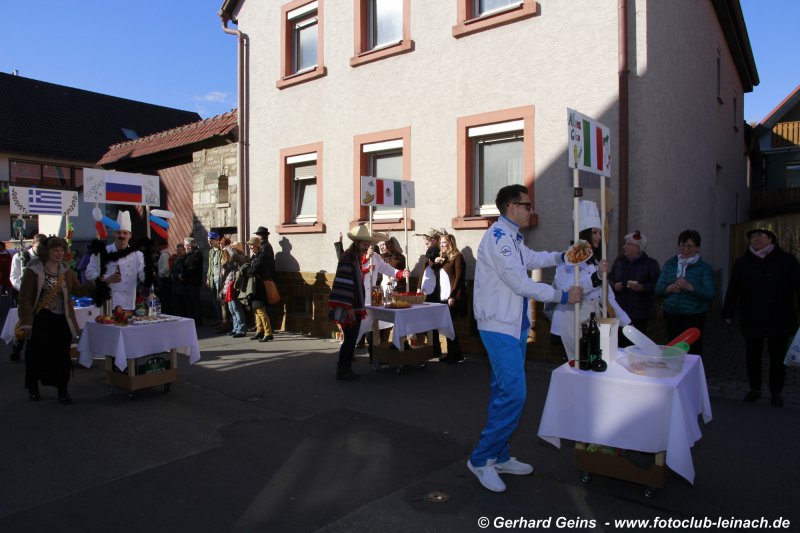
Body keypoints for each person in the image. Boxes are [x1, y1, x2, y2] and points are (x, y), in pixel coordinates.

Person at [469, 184, 583, 493]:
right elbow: (520, 283)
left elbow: (531, 259)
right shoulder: (498, 238)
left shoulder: (513, 237)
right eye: (527, 205)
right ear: (511, 207)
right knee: (514, 394)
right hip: (498, 327)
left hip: (513, 325)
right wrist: (562, 295)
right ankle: (481, 459)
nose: (531, 210)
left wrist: (562, 256)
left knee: (503, 392)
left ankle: (499, 455)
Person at [723, 223, 800, 408]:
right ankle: (755, 389)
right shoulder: (742, 263)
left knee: (777, 358)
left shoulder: (787, 260)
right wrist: (728, 312)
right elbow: (733, 289)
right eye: (753, 235)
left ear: (771, 239)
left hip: (779, 317)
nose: (756, 238)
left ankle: (776, 392)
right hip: (752, 316)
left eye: (760, 235)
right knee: (753, 355)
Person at [17, 237, 94, 404]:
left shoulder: (66, 271)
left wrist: (96, 283)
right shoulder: (34, 270)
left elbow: (78, 290)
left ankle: (62, 389)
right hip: (41, 319)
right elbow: (25, 298)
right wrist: (26, 322)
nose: (59, 253)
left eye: (61, 250)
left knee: (62, 356)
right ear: (47, 252)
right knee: (36, 355)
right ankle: (33, 387)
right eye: (55, 250)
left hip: (61, 320)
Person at [329, 224, 410, 381]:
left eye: (369, 242)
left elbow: (386, 269)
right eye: (365, 242)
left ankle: (346, 368)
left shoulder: (369, 257)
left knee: (357, 336)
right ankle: (343, 369)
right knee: (350, 339)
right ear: (357, 242)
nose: (367, 245)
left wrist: (401, 273)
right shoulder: (349, 257)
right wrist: (348, 307)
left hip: (360, 302)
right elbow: (344, 282)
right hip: (350, 304)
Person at [551, 201, 630, 359]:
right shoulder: (568, 259)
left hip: (590, 322)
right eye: (594, 233)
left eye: (600, 233)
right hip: (570, 322)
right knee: (575, 366)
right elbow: (568, 289)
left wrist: (626, 323)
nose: (599, 237)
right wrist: (596, 277)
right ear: (584, 234)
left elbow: (607, 296)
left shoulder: (595, 262)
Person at [655, 229, 715, 355]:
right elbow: (658, 289)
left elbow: (710, 294)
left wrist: (691, 288)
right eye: (682, 245)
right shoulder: (670, 264)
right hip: (671, 315)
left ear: (697, 248)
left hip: (694, 316)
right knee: (673, 350)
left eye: (690, 246)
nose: (685, 249)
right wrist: (668, 289)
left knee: (693, 350)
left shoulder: (704, 267)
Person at [608, 230, 661, 346]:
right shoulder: (619, 261)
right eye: (625, 244)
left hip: (640, 314)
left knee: (636, 345)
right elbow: (609, 279)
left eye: (628, 244)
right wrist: (614, 286)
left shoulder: (651, 264)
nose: (624, 246)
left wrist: (641, 287)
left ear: (638, 247)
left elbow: (657, 285)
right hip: (620, 311)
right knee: (619, 345)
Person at [85, 211, 145, 311]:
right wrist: (106, 278)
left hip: (128, 304)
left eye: (125, 233)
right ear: (114, 234)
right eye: (119, 232)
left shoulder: (138, 255)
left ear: (130, 235)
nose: (122, 236)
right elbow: (89, 273)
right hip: (106, 303)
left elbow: (142, 274)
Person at [8, 234, 46, 362]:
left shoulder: (44, 258)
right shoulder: (20, 256)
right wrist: (25, 290)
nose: (41, 250)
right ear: (33, 244)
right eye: (39, 247)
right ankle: (17, 348)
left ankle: (37, 350)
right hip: (23, 295)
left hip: (40, 296)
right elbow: (14, 277)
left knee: (39, 323)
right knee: (24, 322)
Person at [437, 232, 468, 363]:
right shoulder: (445, 259)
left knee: (450, 326)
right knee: (447, 325)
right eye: (441, 243)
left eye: (444, 242)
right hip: (444, 296)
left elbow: (459, 277)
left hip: (453, 297)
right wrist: (436, 262)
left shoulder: (457, 256)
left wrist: (452, 296)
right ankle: (453, 353)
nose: (442, 245)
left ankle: (455, 354)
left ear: (450, 243)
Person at [240, 236, 274, 342]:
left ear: (257, 246)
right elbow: (247, 269)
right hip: (253, 286)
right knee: (256, 310)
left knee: (261, 310)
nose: (250, 247)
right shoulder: (254, 256)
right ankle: (259, 331)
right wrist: (248, 269)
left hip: (259, 286)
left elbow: (253, 269)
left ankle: (268, 333)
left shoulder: (262, 256)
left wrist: (248, 270)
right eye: (249, 245)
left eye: (251, 245)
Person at [222, 240, 248, 338]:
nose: (232, 250)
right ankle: (235, 328)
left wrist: (228, 247)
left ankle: (241, 329)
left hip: (235, 286)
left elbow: (234, 256)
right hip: (228, 285)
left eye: (233, 248)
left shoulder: (241, 257)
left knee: (236, 308)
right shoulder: (232, 259)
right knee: (231, 309)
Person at [206, 231, 227, 332]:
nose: (209, 242)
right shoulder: (211, 252)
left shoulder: (221, 250)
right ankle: (219, 320)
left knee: (221, 301)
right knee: (214, 301)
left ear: (216, 240)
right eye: (208, 240)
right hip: (212, 278)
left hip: (220, 278)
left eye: (211, 240)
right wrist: (207, 278)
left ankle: (225, 322)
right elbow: (210, 266)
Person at [181, 237, 204, 325]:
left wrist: (183, 275)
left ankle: (196, 321)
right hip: (187, 282)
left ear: (189, 246)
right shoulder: (188, 254)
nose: (184, 247)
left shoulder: (196, 254)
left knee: (194, 302)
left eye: (185, 245)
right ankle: (192, 320)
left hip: (193, 282)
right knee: (189, 303)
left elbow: (192, 268)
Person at [155, 240, 173, 314]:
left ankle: (166, 313)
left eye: (159, 246)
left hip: (165, 279)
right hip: (165, 279)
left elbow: (166, 268)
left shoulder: (164, 255)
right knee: (165, 298)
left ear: (161, 246)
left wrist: (159, 274)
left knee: (165, 298)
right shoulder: (165, 254)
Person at [170, 243, 187, 317]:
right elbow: (173, 270)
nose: (179, 251)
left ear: (184, 250)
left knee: (183, 303)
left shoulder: (185, 259)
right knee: (178, 303)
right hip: (176, 285)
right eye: (177, 250)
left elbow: (182, 273)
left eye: (180, 250)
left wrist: (175, 276)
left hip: (182, 285)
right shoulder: (176, 259)